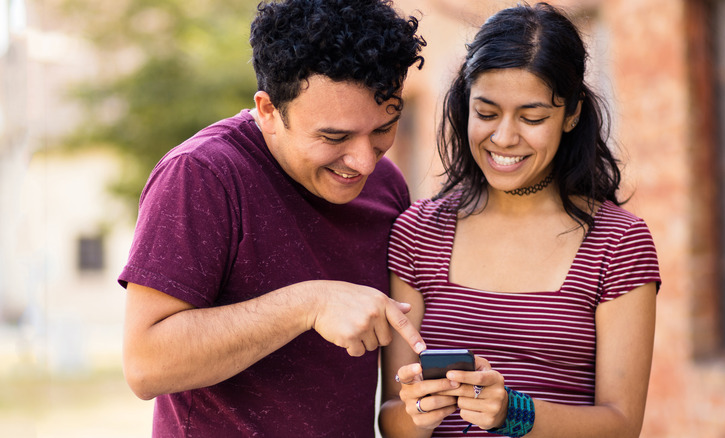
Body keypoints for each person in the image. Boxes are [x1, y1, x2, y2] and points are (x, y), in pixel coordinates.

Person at [118, 0, 428, 436]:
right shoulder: (202, 174)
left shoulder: (387, 185)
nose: (362, 162)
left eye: (383, 128)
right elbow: (146, 365)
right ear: (267, 111)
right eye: (334, 136)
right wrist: (308, 305)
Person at [379, 3, 661, 437]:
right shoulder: (418, 232)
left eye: (532, 118)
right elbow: (392, 415)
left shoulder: (618, 242)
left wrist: (512, 412)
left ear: (572, 114)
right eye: (486, 113)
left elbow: (621, 425)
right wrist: (417, 412)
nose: (504, 138)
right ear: (463, 105)